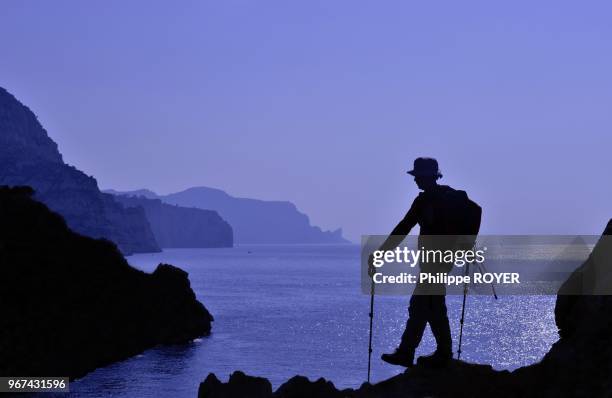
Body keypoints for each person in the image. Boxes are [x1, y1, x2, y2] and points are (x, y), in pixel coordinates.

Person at [370, 157, 476, 368]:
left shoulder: (426, 201)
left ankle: (410, 352)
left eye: (417, 176)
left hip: (434, 262)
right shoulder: (449, 198)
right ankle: (433, 352)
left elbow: (403, 227)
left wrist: (381, 253)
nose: (415, 180)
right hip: (443, 261)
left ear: (426, 177)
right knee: (431, 306)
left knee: (422, 305)